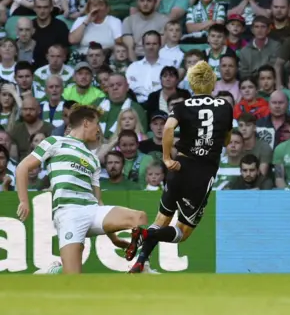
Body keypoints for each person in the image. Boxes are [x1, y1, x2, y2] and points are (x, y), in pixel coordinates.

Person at [127, 60, 233, 273]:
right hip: (202, 174)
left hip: (179, 167)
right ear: (212, 83)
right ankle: (147, 234)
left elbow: (168, 128)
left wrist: (167, 158)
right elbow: (228, 140)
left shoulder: (181, 105)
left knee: (161, 218)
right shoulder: (225, 106)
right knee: (182, 232)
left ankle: (140, 262)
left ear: (192, 84)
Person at [15, 105, 148, 274]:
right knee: (73, 277)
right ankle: (54, 272)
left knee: (139, 217)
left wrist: (114, 238)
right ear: (86, 123)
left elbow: (98, 201)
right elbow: (22, 168)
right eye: (97, 123)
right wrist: (24, 201)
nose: (99, 129)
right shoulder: (54, 142)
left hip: (92, 210)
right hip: (68, 213)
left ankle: (144, 268)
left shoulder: (92, 158)